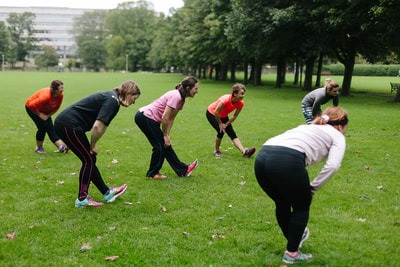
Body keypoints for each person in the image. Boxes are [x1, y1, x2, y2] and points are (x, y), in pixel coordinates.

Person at [254, 106, 348, 264]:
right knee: (302, 205)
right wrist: (313, 187)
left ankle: (294, 239)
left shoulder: (308, 127)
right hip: (286, 160)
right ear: (341, 125)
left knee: (282, 202)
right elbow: (333, 166)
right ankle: (292, 252)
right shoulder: (337, 135)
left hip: (262, 158)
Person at [54, 81, 141, 207]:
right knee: (88, 160)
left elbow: (103, 125)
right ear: (128, 93)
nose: (134, 102)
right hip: (68, 125)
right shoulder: (112, 101)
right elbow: (97, 126)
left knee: (89, 159)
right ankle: (82, 198)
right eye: (134, 98)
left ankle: (107, 193)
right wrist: (93, 144)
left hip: (68, 125)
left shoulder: (113, 99)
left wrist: (92, 144)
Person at [135, 76, 199, 179]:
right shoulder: (176, 96)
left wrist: (167, 136)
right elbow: (165, 118)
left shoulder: (181, 100)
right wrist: (164, 135)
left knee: (165, 144)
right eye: (196, 88)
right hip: (145, 117)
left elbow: (171, 118)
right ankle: (152, 173)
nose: (197, 91)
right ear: (188, 88)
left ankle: (183, 170)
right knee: (159, 146)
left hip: (150, 118)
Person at [206, 83, 255, 158]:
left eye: (243, 94)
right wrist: (221, 124)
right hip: (212, 113)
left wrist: (226, 124)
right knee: (221, 131)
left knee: (232, 133)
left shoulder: (240, 103)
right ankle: (216, 150)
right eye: (241, 93)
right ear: (235, 94)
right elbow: (216, 112)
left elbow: (234, 116)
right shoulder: (225, 100)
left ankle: (244, 152)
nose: (243, 96)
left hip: (223, 116)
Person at [25, 80, 68, 154]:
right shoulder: (46, 96)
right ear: (55, 90)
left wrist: (47, 115)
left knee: (50, 127)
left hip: (45, 110)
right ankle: (38, 148)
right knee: (42, 127)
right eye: (61, 88)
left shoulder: (61, 95)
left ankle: (61, 147)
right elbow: (31, 105)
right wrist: (39, 114)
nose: (62, 90)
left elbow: (56, 107)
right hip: (32, 108)